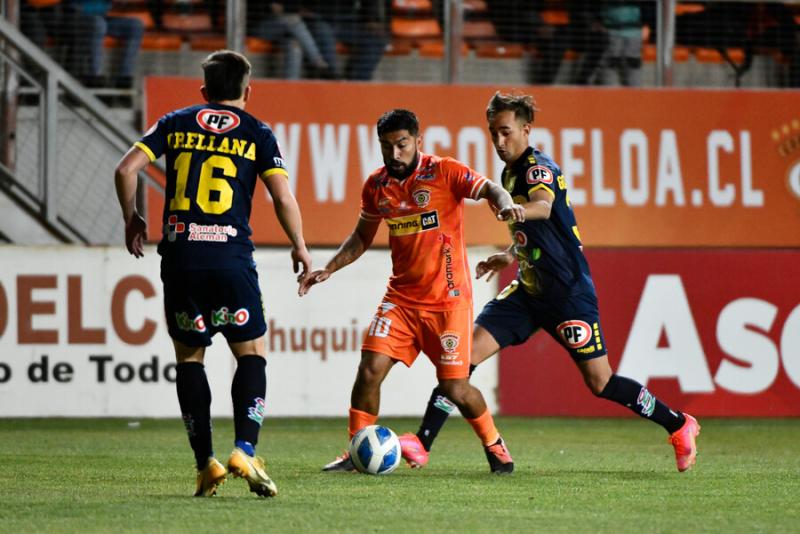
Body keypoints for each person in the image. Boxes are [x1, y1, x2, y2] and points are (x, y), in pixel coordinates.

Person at [399, 92, 701, 473]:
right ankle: (422, 444)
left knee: (601, 383)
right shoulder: (509, 172)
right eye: (493, 133)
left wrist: (518, 208)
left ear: (526, 129)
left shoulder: (537, 168)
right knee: (460, 361)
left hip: (567, 293)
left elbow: (542, 205)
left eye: (506, 132)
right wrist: (509, 254)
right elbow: (543, 230)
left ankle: (679, 424)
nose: (498, 141)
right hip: (528, 291)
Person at [114, 50, 311, 497]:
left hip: (181, 260)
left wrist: (132, 217)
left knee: (189, 359)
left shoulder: (175, 121)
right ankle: (244, 447)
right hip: (230, 258)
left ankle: (205, 464)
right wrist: (299, 244)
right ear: (248, 90)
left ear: (204, 92)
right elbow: (282, 196)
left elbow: (126, 169)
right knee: (251, 354)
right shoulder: (259, 132)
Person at [298, 109, 526, 474]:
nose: (394, 154)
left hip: (448, 302)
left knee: (455, 389)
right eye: (386, 146)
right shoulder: (376, 186)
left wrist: (505, 205)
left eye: (402, 144)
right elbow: (361, 237)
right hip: (401, 300)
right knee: (369, 370)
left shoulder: (445, 171)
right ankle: (357, 452)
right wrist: (330, 268)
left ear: (418, 141)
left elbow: (490, 188)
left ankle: (495, 444)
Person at [64, 0, 144, 87]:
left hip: (102, 18)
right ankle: (94, 77)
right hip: (79, 18)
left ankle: (123, 80)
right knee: (99, 24)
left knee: (136, 26)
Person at [247, 1, 334, 80]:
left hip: (286, 30)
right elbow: (274, 8)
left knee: (294, 44)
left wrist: (287, 9)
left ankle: (291, 83)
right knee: (292, 19)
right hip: (261, 28)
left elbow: (295, 8)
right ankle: (318, 61)